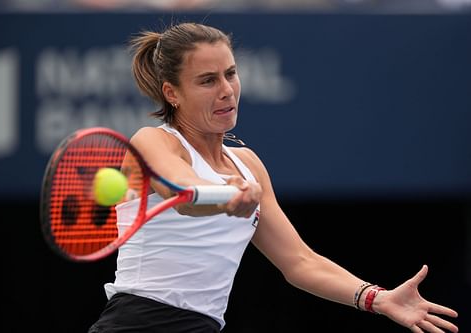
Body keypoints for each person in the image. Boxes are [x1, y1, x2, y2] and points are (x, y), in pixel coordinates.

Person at [88, 22, 459, 333]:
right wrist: (226, 195)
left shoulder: (248, 165)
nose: (226, 90)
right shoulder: (153, 141)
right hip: (137, 322)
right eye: (207, 81)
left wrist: (378, 298)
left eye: (230, 74)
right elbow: (184, 191)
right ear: (172, 93)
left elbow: (300, 262)